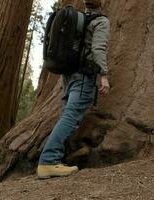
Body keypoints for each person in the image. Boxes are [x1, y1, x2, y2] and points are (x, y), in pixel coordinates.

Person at [37, 0, 110, 179]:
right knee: (71, 116)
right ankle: (48, 161)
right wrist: (104, 75)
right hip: (84, 75)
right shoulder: (101, 21)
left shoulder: (78, 19)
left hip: (68, 75)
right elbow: (98, 49)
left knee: (66, 115)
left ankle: (56, 158)